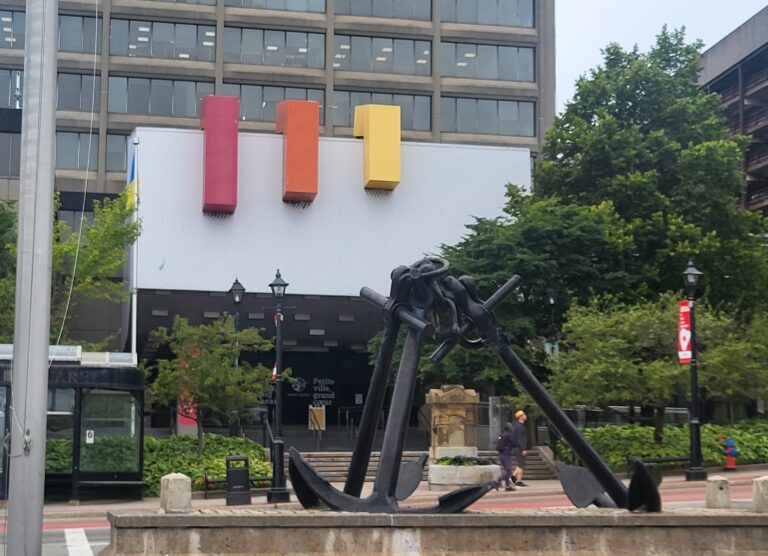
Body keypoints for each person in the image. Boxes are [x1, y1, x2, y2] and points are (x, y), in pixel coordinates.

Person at [497, 421, 518, 491]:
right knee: (508, 471)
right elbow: (514, 443)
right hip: (506, 454)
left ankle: (507, 486)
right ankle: (498, 480)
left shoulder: (502, 434)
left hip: (501, 454)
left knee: (507, 470)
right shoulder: (509, 434)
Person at [511, 410, 529, 487]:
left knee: (521, 464)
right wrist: (523, 449)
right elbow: (521, 439)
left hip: (515, 447)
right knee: (521, 464)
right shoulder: (520, 427)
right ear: (520, 417)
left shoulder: (515, 426)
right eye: (524, 415)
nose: (526, 416)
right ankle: (512, 477)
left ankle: (518, 481)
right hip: (519, 448)